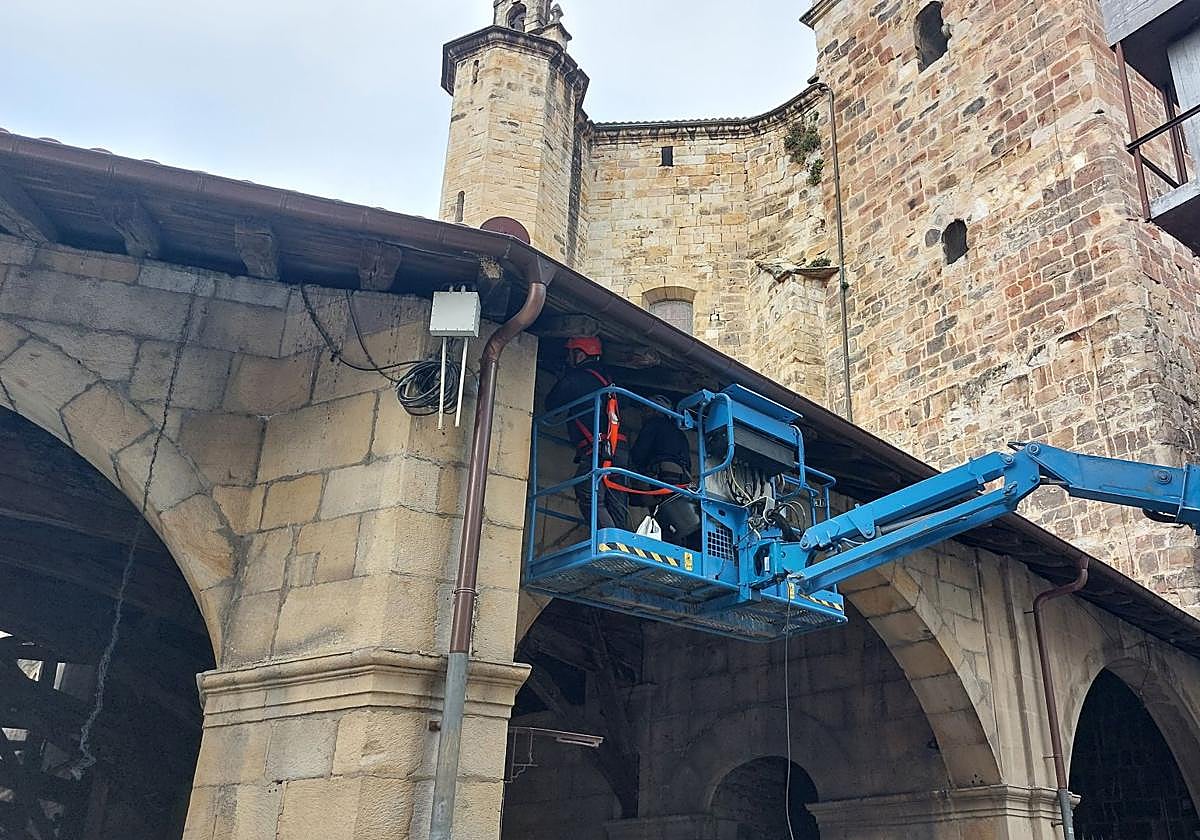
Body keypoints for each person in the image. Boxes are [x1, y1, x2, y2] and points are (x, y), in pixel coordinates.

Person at [544, 336, 629, 530]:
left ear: (580, 354)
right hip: (619, 447)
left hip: (600, 448)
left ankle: (608, 544)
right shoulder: (609, 381)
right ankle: (623, 543)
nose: (568, 359)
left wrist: (562, 379)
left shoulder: (576, 378)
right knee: (615, 500)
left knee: (588, 492)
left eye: (570, 354)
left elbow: (551, 405)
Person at [630, 395, 691, 487]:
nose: (642, 414)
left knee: (634, 494)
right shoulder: (680, 433)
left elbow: (638, 454)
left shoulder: (653, 424)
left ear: (656, 411)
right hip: (685, 478)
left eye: (646, 410)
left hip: (663, 474)